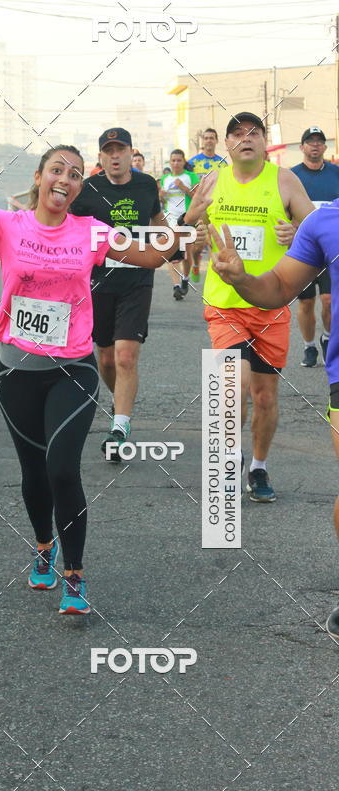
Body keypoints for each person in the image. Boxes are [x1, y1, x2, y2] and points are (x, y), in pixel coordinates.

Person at [0, 115, 199, 615]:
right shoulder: (5, 224)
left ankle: (75, 575)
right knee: (33, 472)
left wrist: (183, 228)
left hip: (73, 368)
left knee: (62, 469)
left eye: (74, 173)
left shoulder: (92, 232)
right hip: (16, 372)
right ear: (39, 177)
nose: (65, 179)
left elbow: (152, 259)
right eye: (57, 169)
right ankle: (43, 546)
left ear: (78, 187)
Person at [207, 201, 339, 637]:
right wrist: (242, 278)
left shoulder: (288, 187)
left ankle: (255, 466)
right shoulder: (327, 219)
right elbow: (280, 284)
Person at [185, 111, 314, 501]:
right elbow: (188, 224)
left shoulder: (284, 180)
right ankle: (230, 456)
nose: (246, 138)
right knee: (232, 386)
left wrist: (295, 232)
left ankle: (258, 465)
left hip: (272, 303)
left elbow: (316, 233)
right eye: (236, 133)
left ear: (263, 143)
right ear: (226, 144)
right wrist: (194, 219)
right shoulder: (211, 180)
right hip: (225, 302)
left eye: (254, 132)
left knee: (264, 396)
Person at [70, 128, 169, 458]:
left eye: (120, 150)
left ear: (130, 153)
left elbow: (157, 220)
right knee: (108, 358)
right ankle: (120, 403)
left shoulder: (146, 185)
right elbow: (66, 228)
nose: (114, 156)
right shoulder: (86, 191)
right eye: (108, 151)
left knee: (127, 355)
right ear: (100, 157)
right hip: (98, 283)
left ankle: (119, 427)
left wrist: (177, 240)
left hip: (138, 280)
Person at [290, 127, 339, 367]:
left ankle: (327, 338)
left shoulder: (336, 174)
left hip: (331, 252)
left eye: (320, 141)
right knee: (306, 302)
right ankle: (309, 346)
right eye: (310, 141)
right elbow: (283, 211)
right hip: (304, 252)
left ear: (325, 147)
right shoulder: (291, 176)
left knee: (329, 300)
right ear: (302, 147)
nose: (315, 145)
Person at [187, 127, 228, 283]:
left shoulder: (223, 164)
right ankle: (196, 263)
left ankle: (218, 275)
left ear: (217, 141)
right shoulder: (192, 163)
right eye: (206, 138)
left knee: (215, 242)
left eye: (212, 137)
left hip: (217, 208)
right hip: (198, 208)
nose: (209, 140)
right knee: (197, 245)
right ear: (202, 141)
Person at [160, 149, 200, 300]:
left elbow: (197, 197)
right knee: (171, 254)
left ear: (184, 161)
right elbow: (163, 202)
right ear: (170, 163)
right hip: (170, 219)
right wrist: (161, 197)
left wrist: (184, 188)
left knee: (187, 254)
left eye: (179, 160)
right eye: (173, 161)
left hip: (187, 218)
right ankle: (176, 286)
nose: (176, 163)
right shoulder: (165, 178)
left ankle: (185, 277)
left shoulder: (191, 176)